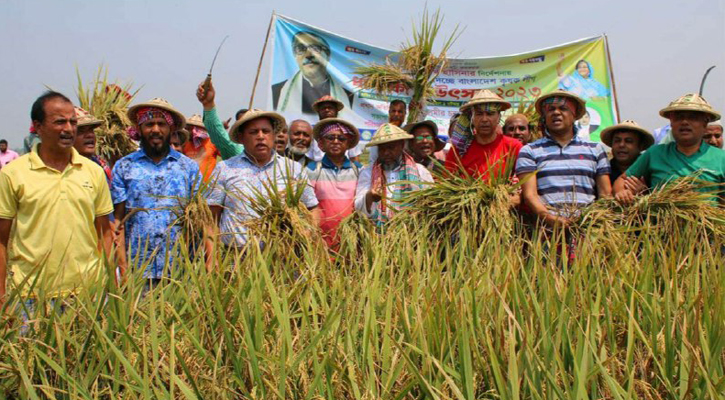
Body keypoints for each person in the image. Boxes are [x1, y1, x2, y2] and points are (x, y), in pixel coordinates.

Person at [0, 91, 115, 306]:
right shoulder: (13, 174)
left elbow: (105, 234)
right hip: (31, 297)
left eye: (73, 122)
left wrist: (112, 290)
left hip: (87, 294)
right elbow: (1, 240)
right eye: (60, 122)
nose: (69, 129)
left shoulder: (93, 172)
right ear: (38, 126)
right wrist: (2, 297)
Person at [112, 98, 201, 282]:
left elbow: (200, 220)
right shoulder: (125, 167)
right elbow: (118, 222)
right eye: (149, 124)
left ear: (171, 129)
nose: (155, 129)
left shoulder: (188, 168)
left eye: (161, 124)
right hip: (136, 271)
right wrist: (122, 267)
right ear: (139, 128)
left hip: (178, 272)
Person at [207, 109, 320, 249]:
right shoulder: (225, 169)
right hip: (235, 259)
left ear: (273, 135)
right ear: (241, 138)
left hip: (282, 260)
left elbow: (313, 208)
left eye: (266, 131)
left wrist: (306, 235)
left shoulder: (293, 169)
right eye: (253, 132)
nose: (260, 136)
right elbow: (211, 218)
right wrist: (212, 260)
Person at [516, 90, 612, 227]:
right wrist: (548, 217)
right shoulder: (530, 151)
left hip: (587, 230)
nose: (556, 112)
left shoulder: (595, 149)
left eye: (563, 108)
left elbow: (605, 194)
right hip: (548, 233)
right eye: (550, 109)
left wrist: (593, 220)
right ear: (544, 116)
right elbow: (530, 195)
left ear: (574, 115)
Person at [614, 94, 725, 204]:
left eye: (692, 117)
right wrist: (622, 192)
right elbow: (622, 180)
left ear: (705, 123)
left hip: (705, 220)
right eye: (679, 117)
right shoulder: (655, 153)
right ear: (671, 122)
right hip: (661, 220)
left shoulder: (721, 158)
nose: (685, 122)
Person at [355, 123, 433, 227]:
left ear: (401, 145)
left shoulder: (420, 171)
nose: (386, 153)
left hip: (411, 234)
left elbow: (430, 202)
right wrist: (369, 197)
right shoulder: (368, 173)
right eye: (382, 149)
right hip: (377, 234)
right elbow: (357, 207)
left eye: (391, 148)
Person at [307, 118, 362, 248]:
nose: (336, 141)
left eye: (341, 138)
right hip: (320, 241)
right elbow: (306, 205)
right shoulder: (312, 169)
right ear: (321, 144)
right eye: (330, 138)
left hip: (350, 241)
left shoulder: (358, 169)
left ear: (348, 144)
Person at [445, 90, 522, 182]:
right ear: (472, 119)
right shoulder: (460, 149)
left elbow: (522, 182)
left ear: (498, 117)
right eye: (479, 114)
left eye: (490, 114)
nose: (484, 119)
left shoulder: (513, 147)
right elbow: (448, 181)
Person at [272, 31, 354, 115]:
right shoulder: (276, 92)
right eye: (301, 49)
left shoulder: (349, 97)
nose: (308, 55)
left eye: (315, 49)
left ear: (328, 55)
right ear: (295, 56)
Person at [307, 95, 364, 162]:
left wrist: (355, 171)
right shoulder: (313, 133)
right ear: (318, 112)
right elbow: (309, 158)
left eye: (330, 107)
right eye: (323, 108)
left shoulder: (347, 130)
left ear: (336, 110)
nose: (327, 110)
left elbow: (354, 157)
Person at [73, 106, 112, 185]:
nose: (90, 135)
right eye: (81, 131)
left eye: (91, 130)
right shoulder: (62, 169)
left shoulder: (100, 166)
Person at [181, 114, 220, 181]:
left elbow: (226, 157)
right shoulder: (185, 144)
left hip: (207, 186)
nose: (186, 131)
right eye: (186, 128)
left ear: (197, 130)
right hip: (190, 184)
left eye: (189, 129)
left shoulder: (212, 142)